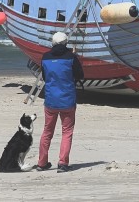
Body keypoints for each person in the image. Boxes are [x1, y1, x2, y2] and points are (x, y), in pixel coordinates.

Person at [34, 31, 84, 173]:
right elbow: (80, 75)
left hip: (51, 99)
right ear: (65, 43)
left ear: (53, 43)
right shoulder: (71, 57)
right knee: (67, 132)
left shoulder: (45, 57)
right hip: (67, 99)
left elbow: (44, 76)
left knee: (47, 131)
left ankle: (42, 163)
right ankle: (62, 163)